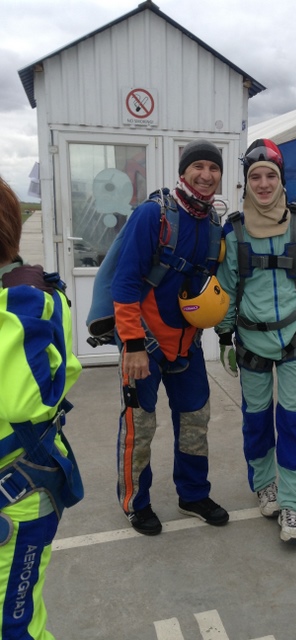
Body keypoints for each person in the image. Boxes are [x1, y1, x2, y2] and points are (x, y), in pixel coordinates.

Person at [111, 139, 229, 535]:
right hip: (144, 345)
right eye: (198, 166)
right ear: (183, 171)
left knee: (196, 421)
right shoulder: (153, 214)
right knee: (140, 427)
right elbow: (125, 281)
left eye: (214, 168)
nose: (206, 175)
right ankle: (136, 503)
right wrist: (132, 344)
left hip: (186, 346)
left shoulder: (213, 224)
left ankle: (192, 495)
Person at [215, 139, 296, 543]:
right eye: (255, 177)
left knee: (295, 422)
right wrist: (225, 335)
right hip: (251, 341)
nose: (263, 184)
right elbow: (226, 287)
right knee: (257, 420)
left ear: (281, 180)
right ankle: (265, 485)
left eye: (270, 176)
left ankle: (293, 503)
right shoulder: (234, 230)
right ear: (246, 183)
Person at [0, 177, 83, 638]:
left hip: (17, 497)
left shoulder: (28, 302)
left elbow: (26, 399)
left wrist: (20, 304)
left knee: (15, 629)